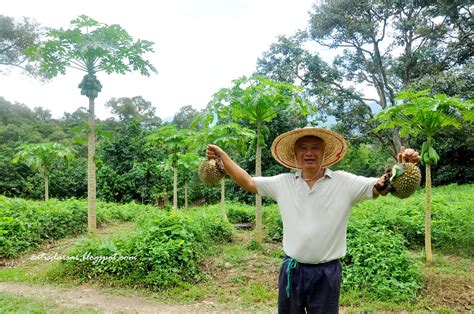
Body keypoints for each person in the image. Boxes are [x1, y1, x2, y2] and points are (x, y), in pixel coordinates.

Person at [206, 127, 420, 314]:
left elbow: (380, 186)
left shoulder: (344, 182)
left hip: (327, 273)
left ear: (324, 153)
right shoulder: (283, 183)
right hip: (292, 270)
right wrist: (223, 157)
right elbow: (248, 181)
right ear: (296, 154)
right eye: (303, 148)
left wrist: (401, 168)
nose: (309, 153)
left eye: (315, 147)